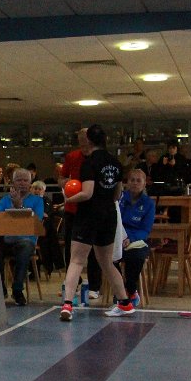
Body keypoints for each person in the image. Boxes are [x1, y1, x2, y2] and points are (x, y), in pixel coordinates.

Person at [60, 124, 135, 321]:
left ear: (89, 141)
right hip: (109, 216)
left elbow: (87, 193)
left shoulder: (89, 163)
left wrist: (68, 198)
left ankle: (67, 304)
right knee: (107, 262)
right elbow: (117, 194)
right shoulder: (116, 163)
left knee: (76, 260)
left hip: (88, 216)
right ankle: (125, 303)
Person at [0, 168, 44, 306]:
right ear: (13, 182)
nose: (22, 183)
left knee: (25, 248)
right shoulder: (5, 200)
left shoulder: (37, 201)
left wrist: (19, 206)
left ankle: (17, 290)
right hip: (7, 239)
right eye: (19, 180)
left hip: (26, 240)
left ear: (30, 183)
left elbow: (36, 221)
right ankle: (0, 288)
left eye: (25, 180)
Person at [62, 128, 101, 299]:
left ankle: (94, 285)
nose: (84, 147)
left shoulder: (99, 158)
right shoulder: (72, 157)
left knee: (94, 249)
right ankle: (72, 283)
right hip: (73, 209)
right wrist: (68, 184)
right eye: (81, 143)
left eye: (87, 143)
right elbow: (62, 178)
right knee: (70, 249)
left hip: (92, 209)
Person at [116, 169, 155, 307]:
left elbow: (146, 230)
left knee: (136, 257)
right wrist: (120, 237)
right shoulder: (119, 198)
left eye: (138, 180)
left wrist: (130, 239)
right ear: (126, 182)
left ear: (144, 184)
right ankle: (120, 290)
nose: (135, 183)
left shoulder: (149, 203)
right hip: (117, 237)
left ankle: (131, 290)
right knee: (109, 258)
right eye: (132, 180)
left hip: (136, 240)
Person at [31, 180, 64, 276]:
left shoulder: (46, 201)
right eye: (35, 189)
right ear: (31, 190)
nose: (37, 191)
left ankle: (39, 269)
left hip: (43, 231)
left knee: (47, 231)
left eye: (39, 189)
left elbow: (46, 215)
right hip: (32, 230)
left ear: (43, 191)